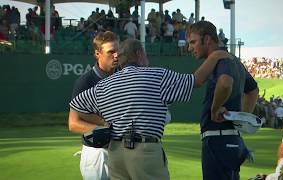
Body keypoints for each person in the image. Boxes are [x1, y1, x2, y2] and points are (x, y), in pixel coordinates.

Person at [69, 39, 227, 180]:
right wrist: (214, 57)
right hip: (145, 151)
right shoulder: (157, 75)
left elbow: (76, 106)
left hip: (116, 154)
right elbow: (196, 81)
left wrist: (103, 121)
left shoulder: (105, 84)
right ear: (139, 54)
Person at [186, 21, 259, 180]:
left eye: (193, 42)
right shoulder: (234, 60)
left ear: (207, 39)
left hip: (217, 140)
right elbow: (253, 90)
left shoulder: (221, 59)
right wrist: (241, 118)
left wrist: (215, 108)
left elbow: (225, 83)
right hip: (232, 139)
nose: (189, 48)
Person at [68, 31, 119, 180]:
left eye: (118, 51)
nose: (116, 55)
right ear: (98, 54)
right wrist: (105, 129)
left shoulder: (124, 75)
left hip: (122, 152)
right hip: (97, 154)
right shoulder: (85, 82)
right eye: (111, 52)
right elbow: (73, 123)